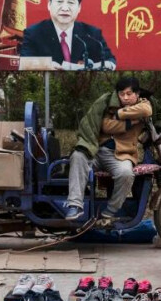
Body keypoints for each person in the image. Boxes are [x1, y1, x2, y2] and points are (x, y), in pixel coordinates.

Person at [65, 77, 152, 220]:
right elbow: (106, 125)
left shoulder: (143, 105)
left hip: (122, 155)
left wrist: (120, 115)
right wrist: (132, 121)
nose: (125, 97)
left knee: (126, 174)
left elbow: (147, 110)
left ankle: (111, 211)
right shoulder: (109, 104)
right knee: (77, 156)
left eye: (129, 94)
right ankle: (74, 205)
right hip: (96, 152)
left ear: (137, 94)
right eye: (121, 94)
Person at [19, 0, 116, 70]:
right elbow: (25, 63)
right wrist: (47, 65)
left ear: (79, 7)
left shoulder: (92, 34)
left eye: (71, 2)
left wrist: (92, 67)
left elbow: (111, 61)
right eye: (60, 2)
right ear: (49, 4)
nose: (65, 8)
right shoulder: (33, 33)